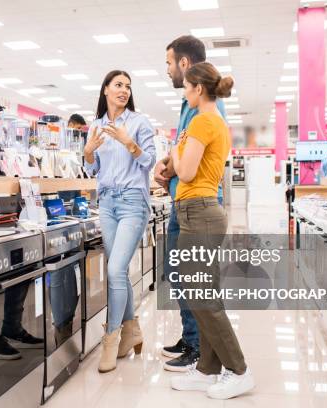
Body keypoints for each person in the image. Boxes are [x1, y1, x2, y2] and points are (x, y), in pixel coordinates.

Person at [169, 61, 254, 399]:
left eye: (186, 87)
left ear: (198, 88)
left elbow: (186, 172)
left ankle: (239, 369)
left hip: (199, 212)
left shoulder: (204, 121)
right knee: (202, 295)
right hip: (200, 211)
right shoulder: (213, 121)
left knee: (202, 297)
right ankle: (208, 368)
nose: (184, 92)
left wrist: (175, 151)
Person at [154, 35, 227, 372]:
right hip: (186, 201)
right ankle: (193, 340)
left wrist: (170, 164)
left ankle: (202, 350)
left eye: (170, 63)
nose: (168, 70)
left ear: (185, 65)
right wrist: (168, 166)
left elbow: (187, 164)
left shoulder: (204, 111)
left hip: (197, 204)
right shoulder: (192, 106)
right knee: (182, 275)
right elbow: (181, 152)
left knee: (195, 282)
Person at [83, 70, 156, 373]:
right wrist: (87, 152)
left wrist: (130, 143)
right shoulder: (96, 127)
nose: (124, 90)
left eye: (127, 86)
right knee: (119, 271)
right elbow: (92, 170)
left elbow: (149, 161)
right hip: (107, 204)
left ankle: (110, 340)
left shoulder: (139, 123)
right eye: (118, 85)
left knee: (114, 270)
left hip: (132, 203)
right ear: (105, 91)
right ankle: (133, 331)